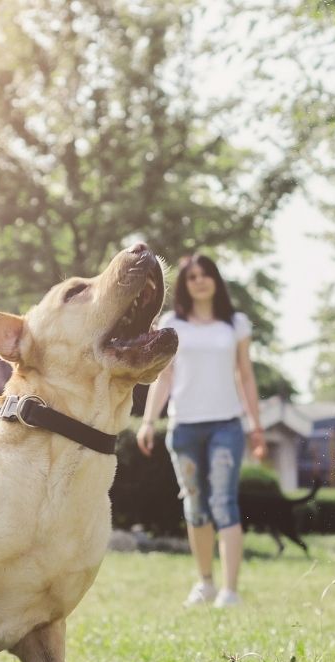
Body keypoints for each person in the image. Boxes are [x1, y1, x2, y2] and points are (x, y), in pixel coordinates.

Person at [137, 253, 266, 608]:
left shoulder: (235, 324)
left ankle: (230, 590)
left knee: (224, 503)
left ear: (215, 280)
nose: (199, 280)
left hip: (227, 425)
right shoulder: (173, 322)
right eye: (191, 276)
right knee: (195, 506)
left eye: (205, 274)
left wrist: (256, 426)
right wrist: (149, 420)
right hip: (184, 427)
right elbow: (164, 377)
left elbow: (245, 376)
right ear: (185, 284)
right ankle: (205, 583)